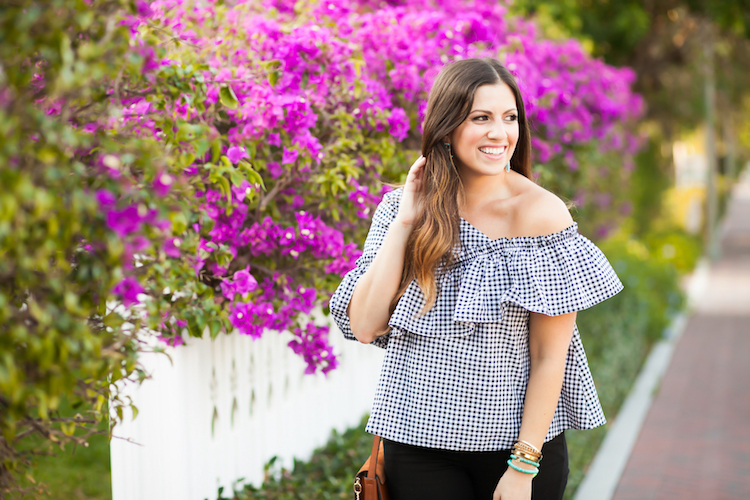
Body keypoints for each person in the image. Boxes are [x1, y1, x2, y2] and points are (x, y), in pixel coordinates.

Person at [330, 58, 623, 500]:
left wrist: (523, 465)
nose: (499, 133)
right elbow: (365, 325)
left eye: (509, 118)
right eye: (480, 118)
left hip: (515, 452)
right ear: (447, 126)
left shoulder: (541, 215)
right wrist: (407, 220)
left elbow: (549, 356)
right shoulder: (400, 209)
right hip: (416, 443)